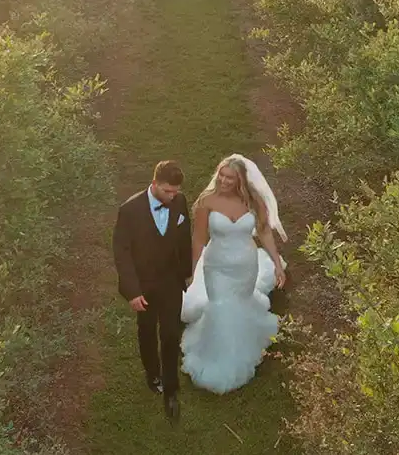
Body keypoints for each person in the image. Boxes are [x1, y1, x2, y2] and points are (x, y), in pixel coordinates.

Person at [180, 154, 286, 394]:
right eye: (222, 175)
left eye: (230, 178)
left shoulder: (254, 201)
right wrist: (192, 270)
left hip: (245, 266)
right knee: (220, 308)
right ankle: (216, 358)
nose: (224, 181)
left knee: (239, 305)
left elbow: (264, 233)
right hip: (216, 266)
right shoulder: (207, 201)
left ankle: (242, 344)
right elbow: (198, 239)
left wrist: (277, 264)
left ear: (241, 180)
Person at [113, 160, 193, 422]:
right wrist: (132, 291)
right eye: (168, 191)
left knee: (170, 334)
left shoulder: (179, 202)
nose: (173, 196)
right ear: (154, 184)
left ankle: (171, 390)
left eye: (176, 192)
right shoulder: (129, 211)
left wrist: (187, 272)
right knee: (147, 331)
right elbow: (122, 254)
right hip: (144, 286)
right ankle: (152, 373)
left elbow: (184, 238)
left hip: (171, 282)